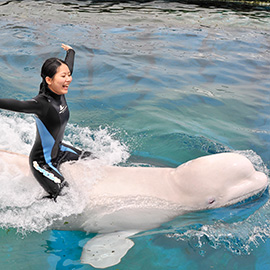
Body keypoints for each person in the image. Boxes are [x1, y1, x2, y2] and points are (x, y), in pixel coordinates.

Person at [0, 44, 91, 201]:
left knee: (93, 158)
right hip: (43, 162)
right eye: (63, 76)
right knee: (67, 197)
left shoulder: (60, 87)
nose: (68, 79)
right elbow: (18, 105)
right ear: (49, 80)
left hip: (60, 150)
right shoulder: (42, 104)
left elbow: (68, 67)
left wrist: (71, 51)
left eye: (68, 75)